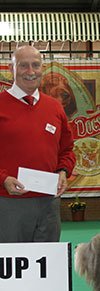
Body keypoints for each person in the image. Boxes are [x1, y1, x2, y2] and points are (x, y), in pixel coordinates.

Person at [0, 45, 76, 242]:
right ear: (11, 69)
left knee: (48, 266)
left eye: (35, 65)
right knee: (11, 267)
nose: (31, 72)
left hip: (48, 203)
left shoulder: (55, 107)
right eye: (23, 65)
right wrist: (3, 179)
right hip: (8, 203)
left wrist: (63, 172)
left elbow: (67, 150)